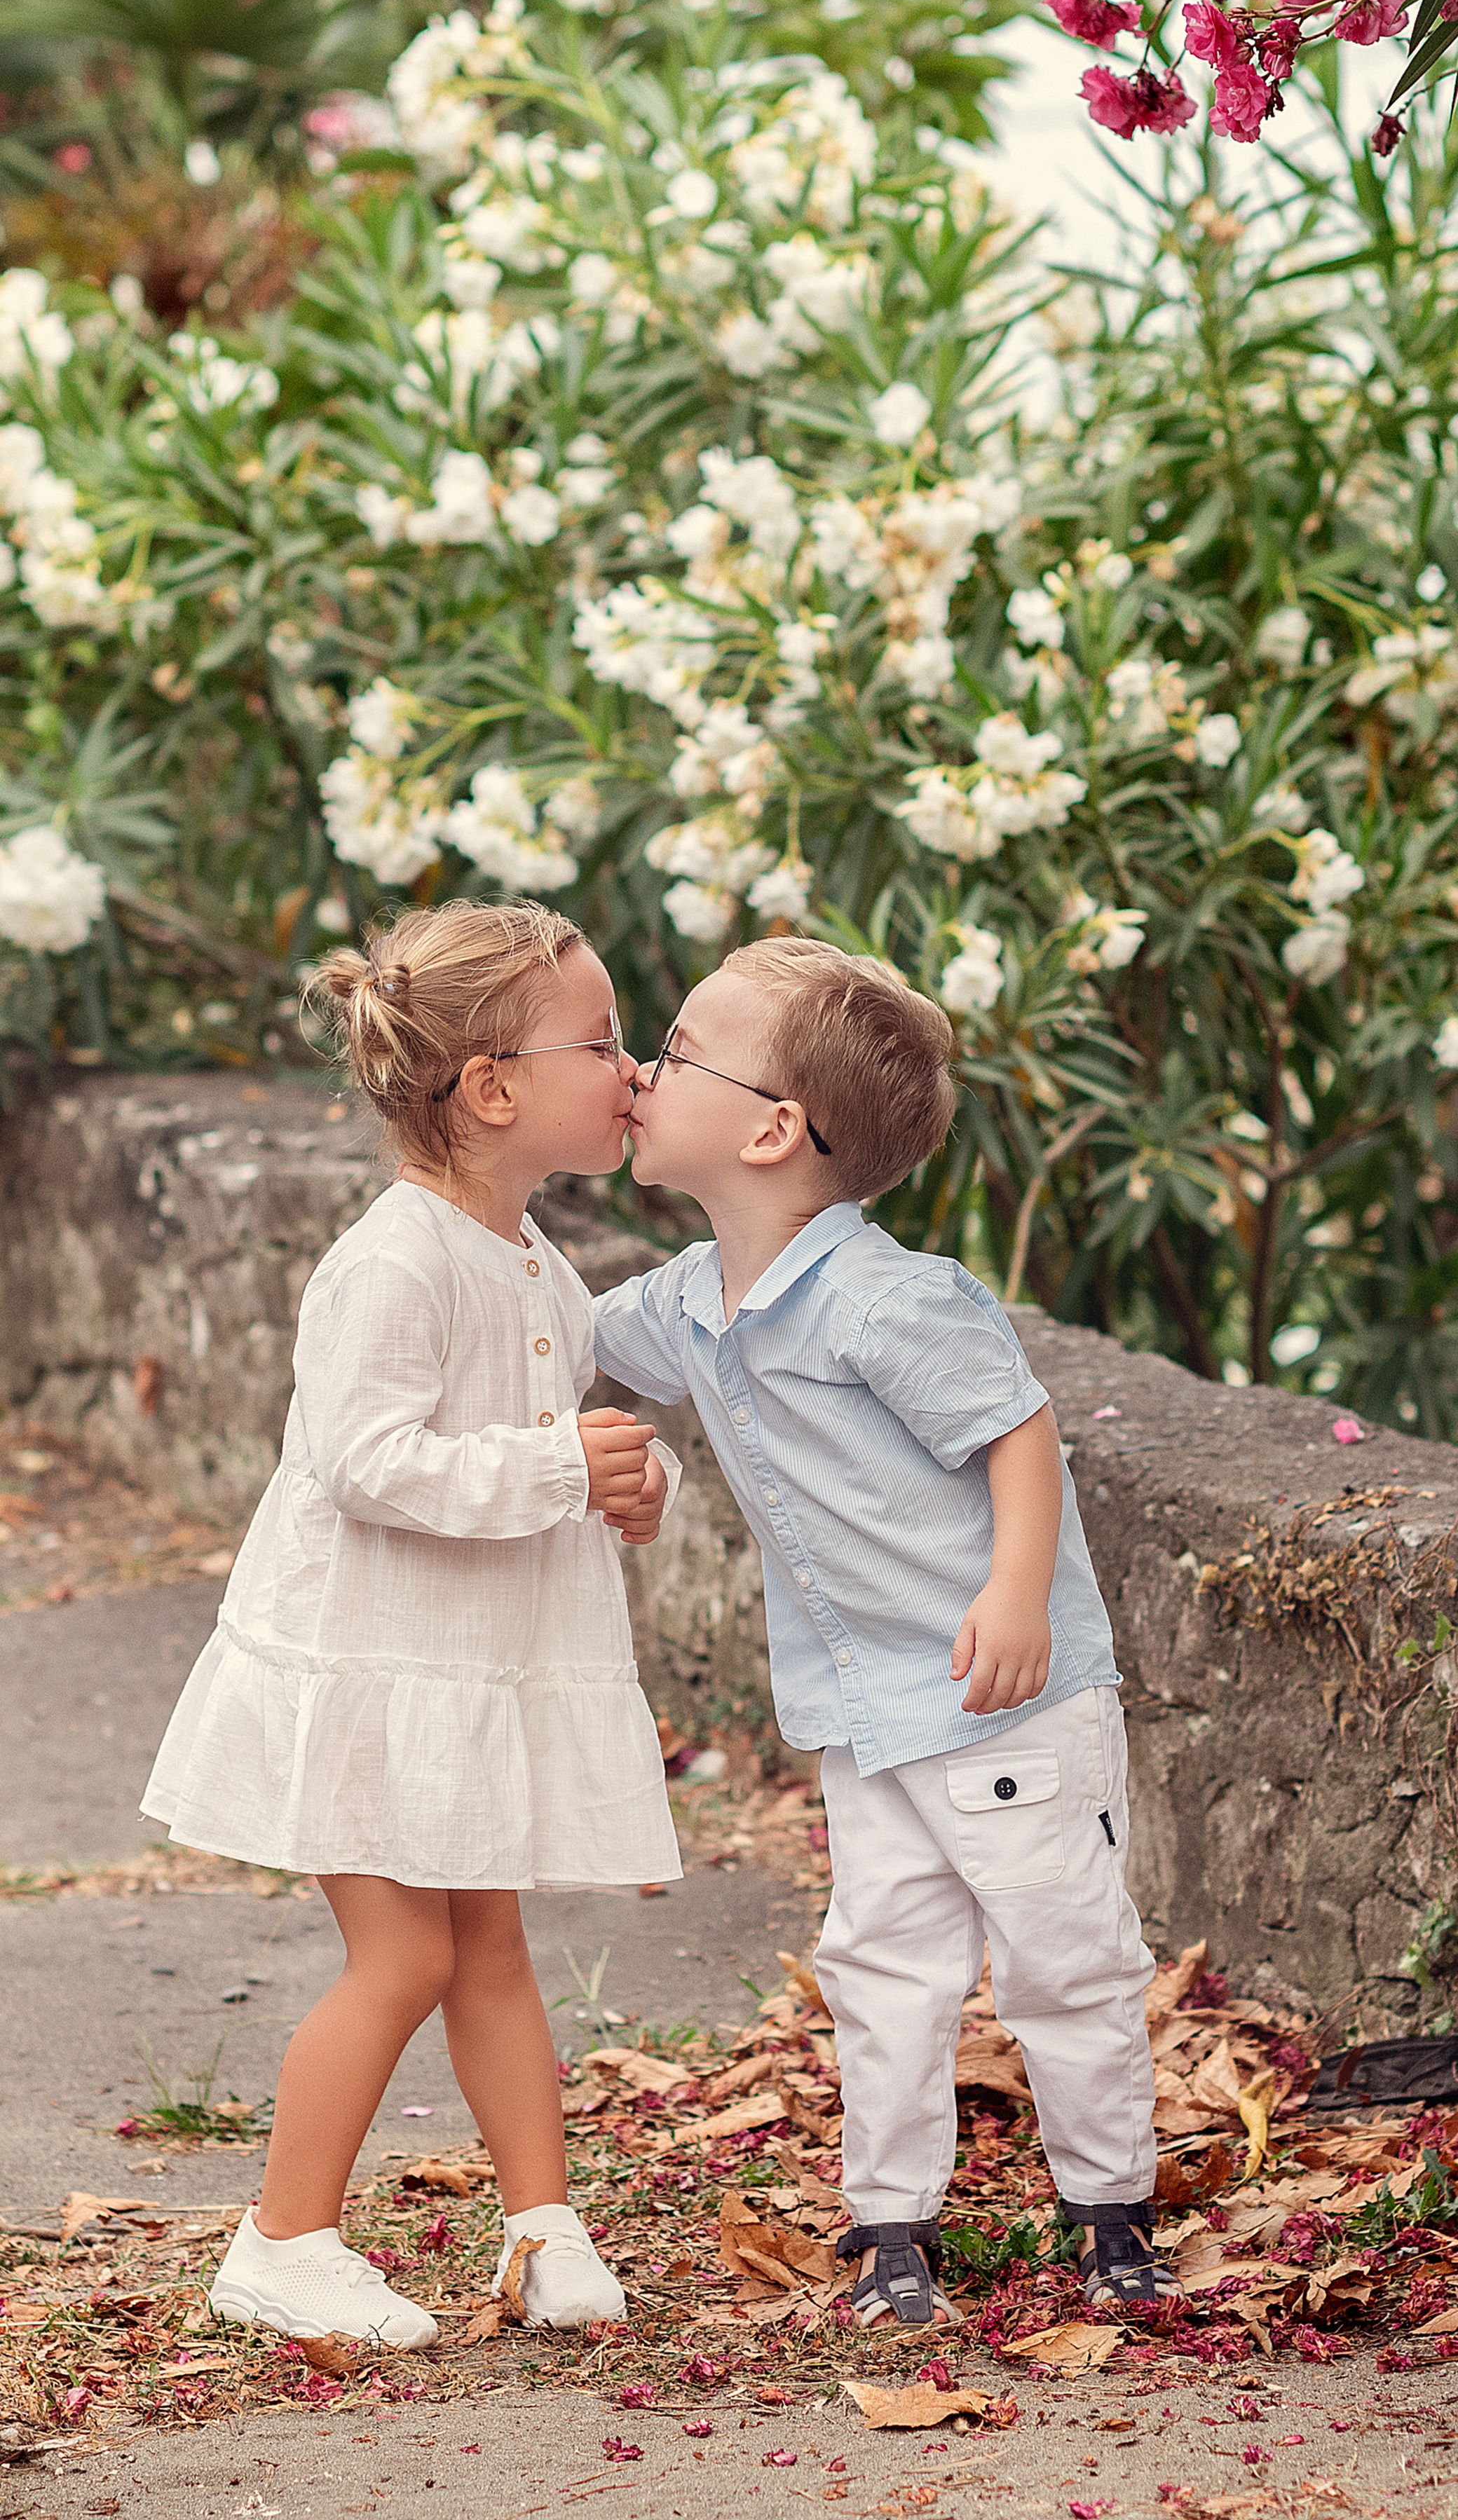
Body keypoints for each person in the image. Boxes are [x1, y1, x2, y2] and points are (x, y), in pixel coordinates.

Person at [589, 936, 1169, 2327]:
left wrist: (1017, 1591)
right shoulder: (682, 1303)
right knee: (883, 1959)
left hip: (1003, 1695)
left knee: (1061, 1960)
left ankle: (1110, 2214)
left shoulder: (886, 1299)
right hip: (866, 1714)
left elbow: (1019, 1435)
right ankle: (889, 2231)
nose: (636, 1073)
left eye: (670, 1051)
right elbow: (563, 1340)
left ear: (773, 1129)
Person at [142, 900, 679, 2348]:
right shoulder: (394, 1261)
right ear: (494, 1089)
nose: (632, 1072)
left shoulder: (536, 1265)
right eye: (605, 1043)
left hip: (460, 1673)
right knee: (410, 1958)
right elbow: (363, 1464)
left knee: (488, 1945)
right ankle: (282, 2238)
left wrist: (623, 1480)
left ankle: (542, 2224)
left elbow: (551, 1440)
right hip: (370, 1673)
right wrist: (563, 1464)